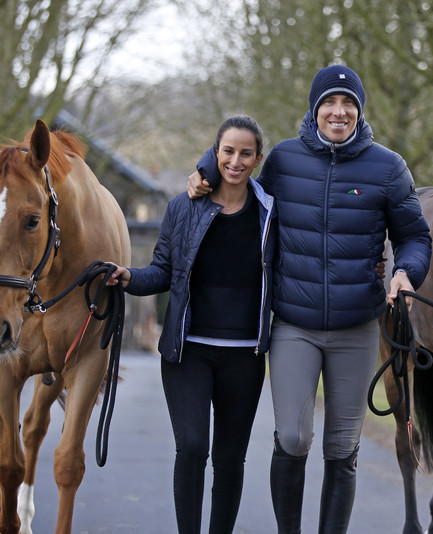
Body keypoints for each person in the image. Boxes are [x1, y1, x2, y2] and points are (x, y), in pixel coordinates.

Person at [189, 65, 432, 534]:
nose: (338, 112)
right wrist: (203, 168)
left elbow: (415, 236)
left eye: (348, 104)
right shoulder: (283, 160)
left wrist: (405, 272)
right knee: (295, 437)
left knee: (342, 446)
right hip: (293, 324)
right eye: (329, 102)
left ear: (360, 111)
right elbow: (237, 169)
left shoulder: (388, 166)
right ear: (315, 108)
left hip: (358, 325)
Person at [107, 115, 276, 534]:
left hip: (245, 356)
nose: (235, 161)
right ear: (214, 153)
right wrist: (127, 277)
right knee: (193, 446)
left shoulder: (271, 214)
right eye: (227, 151)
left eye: (245, 153)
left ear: (258, 158)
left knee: (230, 457)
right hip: (188, 352)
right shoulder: (183, 207)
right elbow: (163, 271)